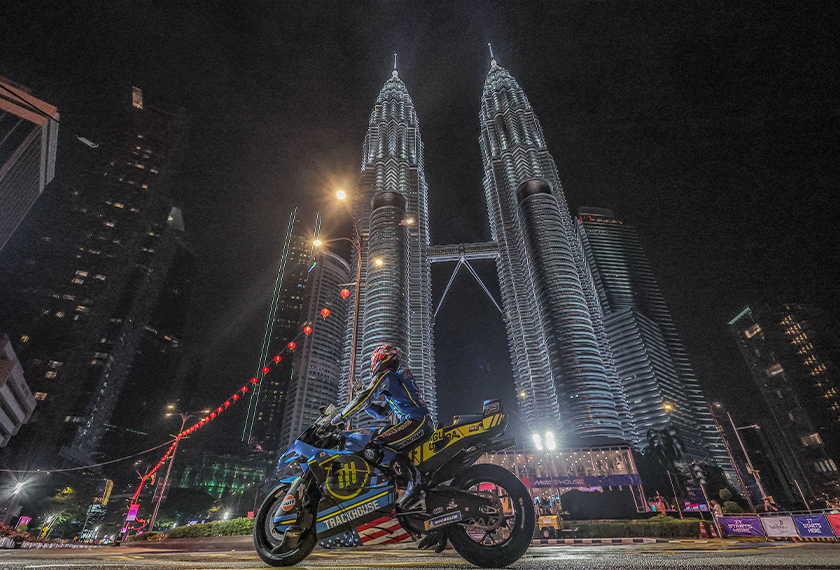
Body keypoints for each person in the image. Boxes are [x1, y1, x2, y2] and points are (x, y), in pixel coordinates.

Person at [337, 345, 433, 503]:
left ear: (378, 360)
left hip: (415, 421)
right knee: (383, 433)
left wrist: (341, 417)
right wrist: (362, 396)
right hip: (420, 421)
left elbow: (367, 396)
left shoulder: (387, 375)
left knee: (376, 445)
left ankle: (406, 489)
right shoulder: (397, 379)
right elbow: (381, 412)